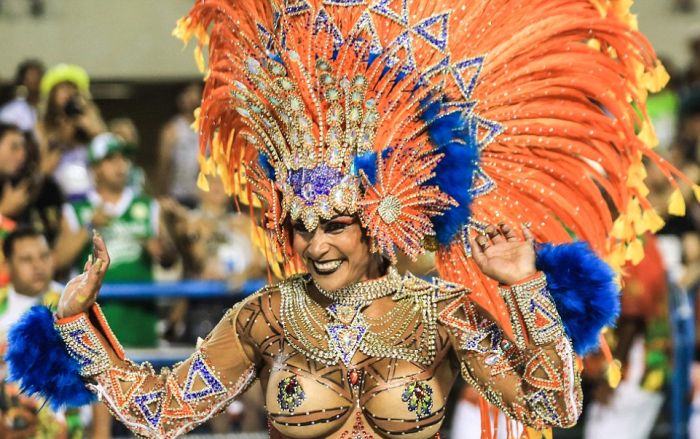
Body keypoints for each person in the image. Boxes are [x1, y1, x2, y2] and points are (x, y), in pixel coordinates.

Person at [7, 1, 698, 438]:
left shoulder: (442, 313)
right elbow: (161, 413)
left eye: (333, 223)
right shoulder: (268, 314)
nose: (314, 243)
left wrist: (521, 287)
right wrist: (75, 325)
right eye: (302, 226)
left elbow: (554, 408)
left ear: (377, 219)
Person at [0, 227, 76, 439]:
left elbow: (99, 373)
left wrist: (101, 434)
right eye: (26, 259)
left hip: (67, 424)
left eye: (44, 256)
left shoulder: (73, 305)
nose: (37, 266)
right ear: (7, 265)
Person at [157, 82, 203, 208]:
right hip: (177, 194)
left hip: (202, 196)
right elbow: (164, 164)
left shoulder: (209, 127)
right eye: (188, 93)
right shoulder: (172, 129)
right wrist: (163, 193)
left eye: (196, 93)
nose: (192, 98)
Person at [0, 59, 45, 136]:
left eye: (37, 76)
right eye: (31, 76)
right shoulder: (12, 109)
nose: (34, 80)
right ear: (22, 80)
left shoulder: (47, 106)